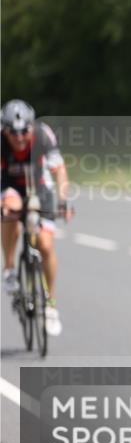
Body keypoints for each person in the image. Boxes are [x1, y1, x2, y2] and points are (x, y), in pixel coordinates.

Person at [1, 99, 70, 336]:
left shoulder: (42, 136)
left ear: (32, 126)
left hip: (40, 187)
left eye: (24, 131)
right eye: (13, 132)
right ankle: (9, 268)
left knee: (46, 245)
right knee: (10, 208)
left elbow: (59, 170)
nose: (19, 137)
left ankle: (50, 306)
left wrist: (63, 201)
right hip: (9, 186)